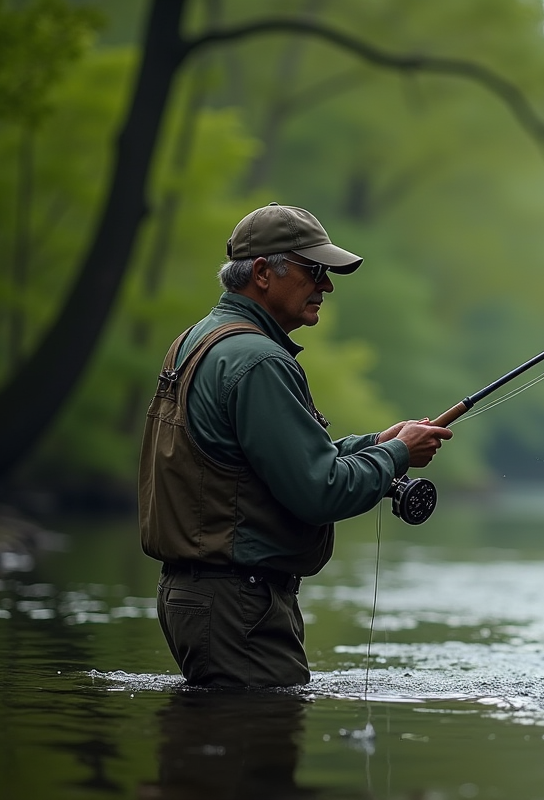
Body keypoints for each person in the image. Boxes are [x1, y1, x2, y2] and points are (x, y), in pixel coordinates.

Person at [137, 202, 452, 688]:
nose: (326, 285)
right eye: (315, 270)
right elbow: (319, 490)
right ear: (263, 273)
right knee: (254, 754)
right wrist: (396, 457)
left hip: (199, 597)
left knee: (213, 755)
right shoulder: (259, 361)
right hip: (237, 607)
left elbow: (254, 465)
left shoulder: (197, 342)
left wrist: (376, 444)